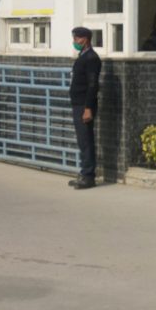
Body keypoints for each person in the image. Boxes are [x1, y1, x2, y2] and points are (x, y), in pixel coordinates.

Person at [68, 24, 102, 189]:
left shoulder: (91, 58)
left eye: (77, 38)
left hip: (84, 105)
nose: (75, 41)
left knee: (86, 140)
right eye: (74, 38)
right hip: (78, 103)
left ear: (86, 39)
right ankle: (84, 172)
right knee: (82, 140)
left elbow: (92, 85)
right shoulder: (83, 55)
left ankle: (88, 176)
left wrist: (88, 108)